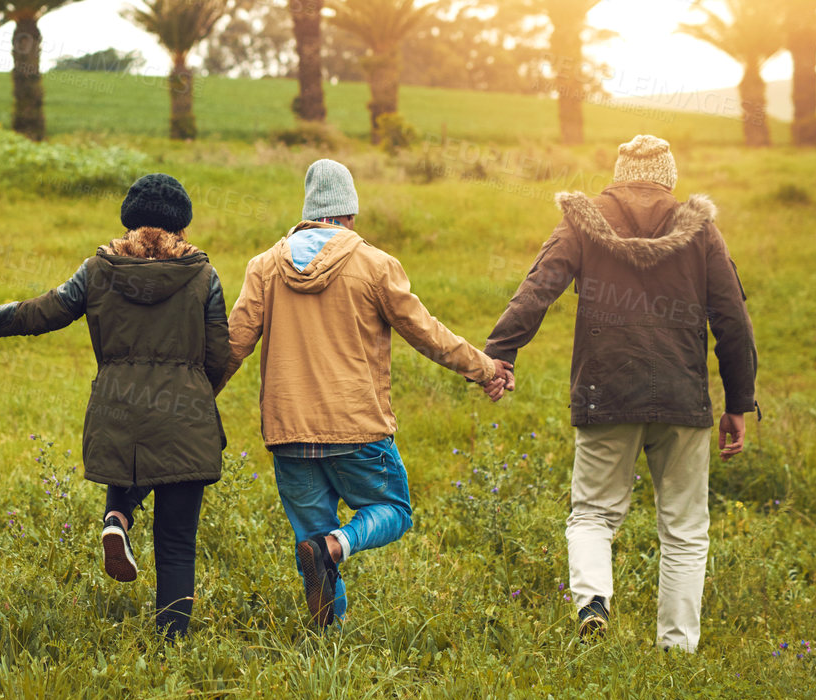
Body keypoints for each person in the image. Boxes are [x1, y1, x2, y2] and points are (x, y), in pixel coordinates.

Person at [485, 135, 756, 651]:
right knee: (683, 529)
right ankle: (676, 649)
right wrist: (739, 403)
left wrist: (500, 351)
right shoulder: (700, 230)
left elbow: (539, 286)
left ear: (618, 176)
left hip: (603, 391)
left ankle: (592, 603)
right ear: (668, 179)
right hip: (682, 397)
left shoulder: (584, 222)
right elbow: (734, 320)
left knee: (592, 513)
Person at [221, 159, 510, 628]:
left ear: (309, 212)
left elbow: (231, 347)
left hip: (288, 432)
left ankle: (326, 636)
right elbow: (426, 332)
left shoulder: (263, 268)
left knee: (310, 536)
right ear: (349, 214)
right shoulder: (374, 265)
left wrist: (195, 400)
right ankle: (337, 546)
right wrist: (484, 368)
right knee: (393, 511)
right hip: (357, 428)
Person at [0, 173, 228, 639]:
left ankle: (116, 518)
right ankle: (173, 643)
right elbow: (219, 355)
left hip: (117, 412)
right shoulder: (203, 276)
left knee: (130, 466)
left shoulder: (97, 270)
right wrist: (195, 395)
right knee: (176, 543)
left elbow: (39, 313)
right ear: (181, 225)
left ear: (128, 222)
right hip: (186, 416)